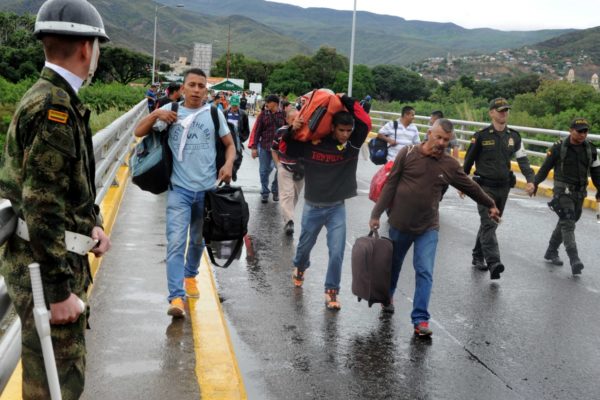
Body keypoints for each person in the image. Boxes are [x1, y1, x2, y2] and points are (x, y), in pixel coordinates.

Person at [0, 0, 112, 398]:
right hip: (45, 268)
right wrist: (59, 290)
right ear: (87, 49)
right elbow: (42, 203)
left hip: (50, 259)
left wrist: (92, 223)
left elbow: (68, 185)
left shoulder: (55, 97)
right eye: (98, 46)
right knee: (55, 384)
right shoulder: (53, 108)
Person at [369, 119, 500, 336]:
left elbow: (470, 186)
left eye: (446, 140)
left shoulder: (449, 165)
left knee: (425, 271)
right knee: (394, 266)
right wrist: (376, 214)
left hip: (428, 227)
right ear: (429, 133)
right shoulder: (408, 153)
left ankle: (420, 320)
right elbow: (391, 184)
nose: (441, 143)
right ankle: (387, 296)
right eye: (438, 137)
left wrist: (490, 204)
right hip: (399, 224)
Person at [134, 68, 236, 317]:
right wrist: (157, 113)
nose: (197, 90)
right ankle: (176, 297)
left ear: (206, 90)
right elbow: (138, 132)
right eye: (192, 85)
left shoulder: (214, 113)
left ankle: (190, 275)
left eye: (201, 86)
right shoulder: (172, 112)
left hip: (207, 191)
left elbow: (230, 144)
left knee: (199, 240)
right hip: (179, 191)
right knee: (176, 243)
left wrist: (228, 164)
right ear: (183, 87)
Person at [282, 95, 371, 310]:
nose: (345, 135)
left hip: (336, 208)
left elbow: (365, 123)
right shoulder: (313, 143)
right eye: (341, 130)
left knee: (337, 251)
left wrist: (346, 100)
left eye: (348, 131)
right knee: (304, 248)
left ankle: (332, 291)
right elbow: (288, 148)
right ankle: (300, 267)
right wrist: (291, 130)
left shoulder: (351, 146)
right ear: (331, 128)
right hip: (312, 206)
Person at [463, 97, 535, 279]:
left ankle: (477, 255)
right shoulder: (481, 136)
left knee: (490, 224)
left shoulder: (514, 137)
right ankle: (494, 262)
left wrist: (530, 180)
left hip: (503, 188)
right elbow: (468, 161)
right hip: (483, 187)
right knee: (489, 221)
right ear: (491, 113)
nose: (504, 113)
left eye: (506, 110)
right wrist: (462, 184)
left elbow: (523, 160)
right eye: (500, 110)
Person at [533, 118, 600, 275]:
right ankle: (574, 259)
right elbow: (545, 168)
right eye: (579, 131)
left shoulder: (591, 149)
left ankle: (551, 250)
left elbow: (596, 172)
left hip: (580, 193)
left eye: (585, 131)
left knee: (566, 222)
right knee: (568, 223)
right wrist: (534, 183)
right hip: (562, 192)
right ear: (571, 130)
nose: (583, 134)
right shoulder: (558, 148)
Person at [272, 107, 304, 235]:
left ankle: (287, 218)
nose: (295, 122)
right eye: (292, 119)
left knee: (294, 196)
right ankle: (290, 222)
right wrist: (278, 164)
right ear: (287, 120)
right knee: (287, 195)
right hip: (284, 168)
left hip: (300, 170)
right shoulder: (281, 132)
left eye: (297, 119)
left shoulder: (305, 133)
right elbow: (273, 149)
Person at [249, 94, 286, 203]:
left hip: (279, 149)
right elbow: (257, 132)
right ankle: (265, 192)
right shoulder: (263, 115)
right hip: (264, 146)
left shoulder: (283, 115)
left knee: (280, 169)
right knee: (263, 171)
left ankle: (275, 190)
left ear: (274, 103)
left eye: (268, 102)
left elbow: (288, 130)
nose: (266, 104)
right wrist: (254, 147)